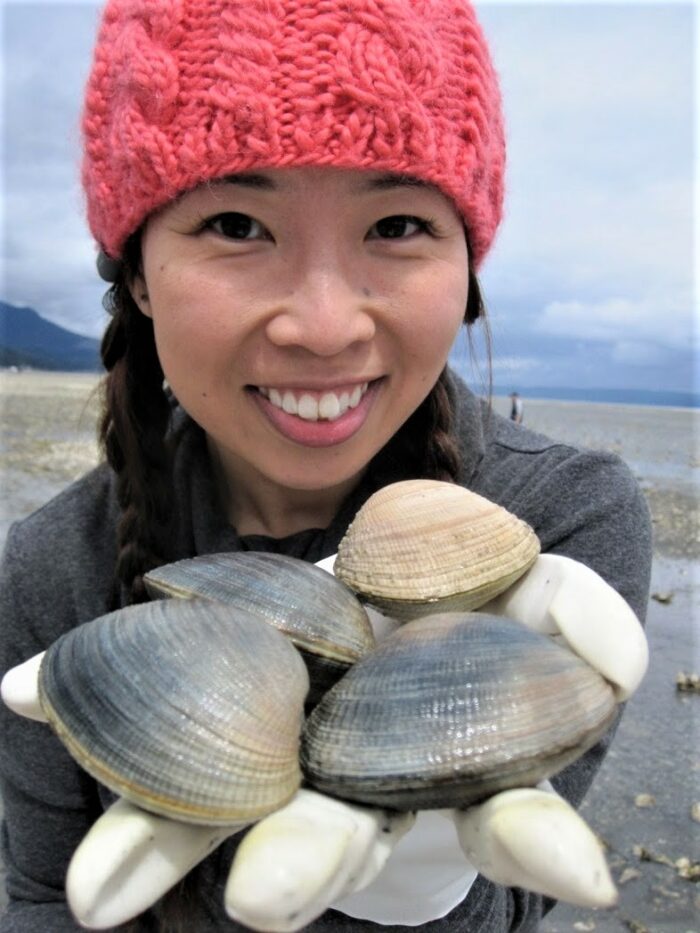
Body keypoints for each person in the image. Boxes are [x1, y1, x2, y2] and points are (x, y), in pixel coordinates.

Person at [0, 1, 652, 931]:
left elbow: (515, 898)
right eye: (236, 221)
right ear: (138, 272)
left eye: (394, 226)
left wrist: (429, 887)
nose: (323, 325)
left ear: (467, 268)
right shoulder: (53, 563)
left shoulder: (561, 522)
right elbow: (40, 897)